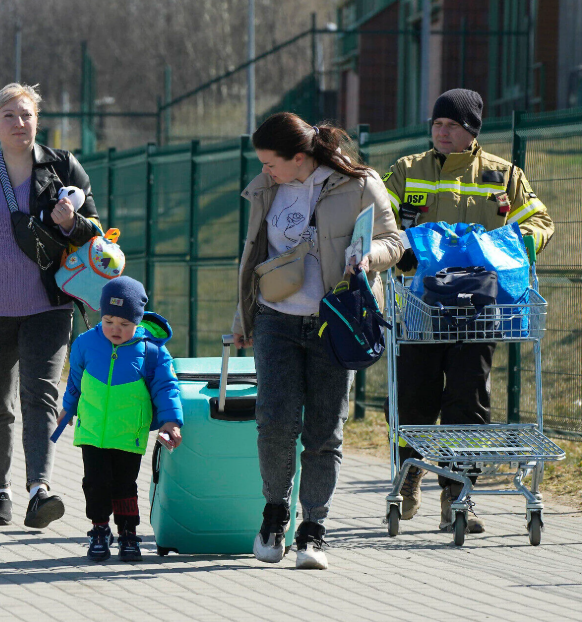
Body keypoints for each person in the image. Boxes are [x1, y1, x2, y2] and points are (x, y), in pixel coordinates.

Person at [231, 112, 403, 570]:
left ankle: (313, 529)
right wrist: (242, 317)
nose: (265, 170)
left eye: (271, 162)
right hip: (276, 320)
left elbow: (395, 241)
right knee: (274, 422)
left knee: (325, 432)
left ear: (299, 157)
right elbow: (255, 256)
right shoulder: (267, 188)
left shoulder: (359, 183)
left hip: (337, 321)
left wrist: (368, 257)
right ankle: (274, 515)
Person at [383, 88, 555, 533]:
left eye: (452, 125)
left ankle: (458, 495)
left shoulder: (503, 175)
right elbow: (378, 218)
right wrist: (399, 249)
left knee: (468, 400)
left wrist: (509, 249)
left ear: (472, 131)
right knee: (413, 397)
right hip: (418, 308)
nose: (442, 132)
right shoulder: (406, 171)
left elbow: (540, 222)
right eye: (437, 124)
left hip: (479, 309)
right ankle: (409, 476)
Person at [0, 83, 102, 529]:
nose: (19, 123)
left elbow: (96, 232)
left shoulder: (63, 167)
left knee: (41, 394)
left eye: (26, 114)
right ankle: (0, 493)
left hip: (48, 304)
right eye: (8, 116)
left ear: (37, 122)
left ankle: (39, 490)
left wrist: (73, 223)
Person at [58, 277, 183, 562]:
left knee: (125, 486)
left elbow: (166, 387)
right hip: (92, 432)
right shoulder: (85, 343)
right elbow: (75, 382)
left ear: (138, 321)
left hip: (129, 433)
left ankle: (128, 534)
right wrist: (67, 408)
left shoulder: (152, 351)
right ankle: (99, 530)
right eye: (109, 321)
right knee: (95, 483)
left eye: (125, 324)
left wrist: (171, 420)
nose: (116, 329)